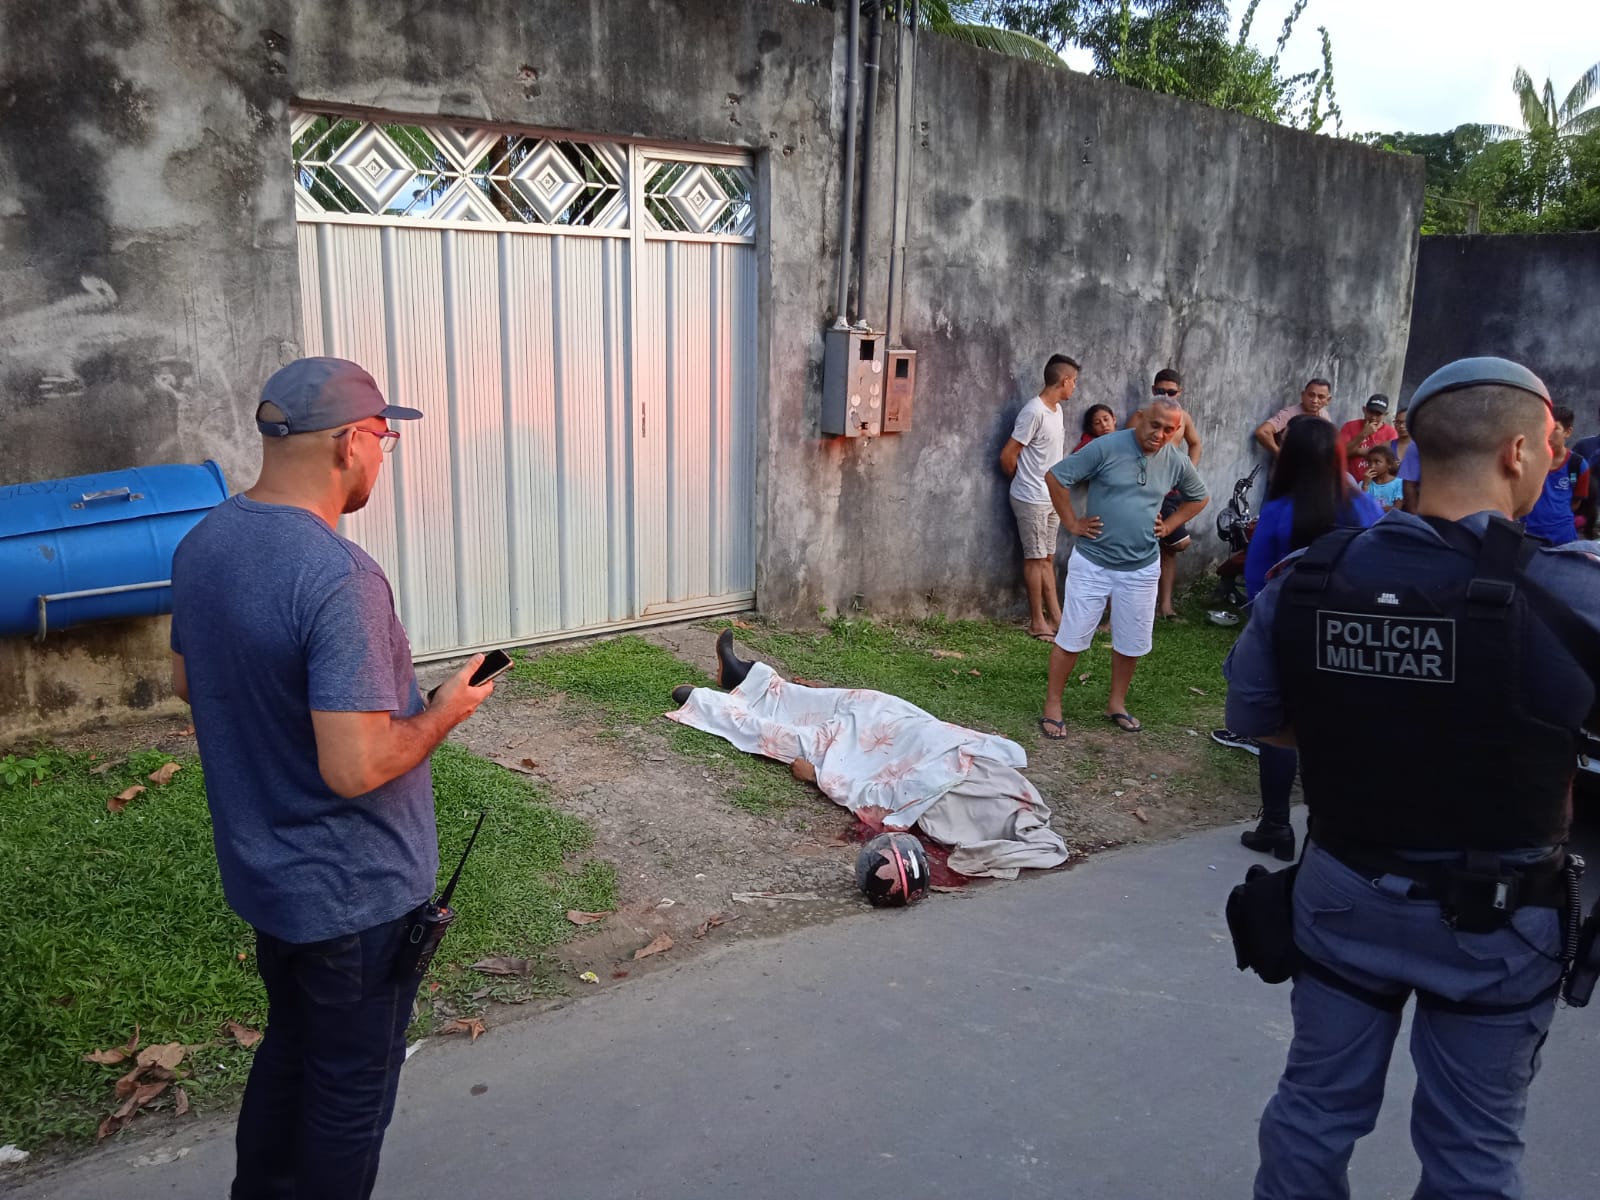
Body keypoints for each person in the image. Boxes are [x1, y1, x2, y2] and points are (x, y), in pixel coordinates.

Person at [1224, 356, 1599, 1198]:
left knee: (1313, 1112)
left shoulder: (1311, 579)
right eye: (1551, 446)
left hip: (1346, 892)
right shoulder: (1571, 592)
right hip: (1500, 924)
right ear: (1519, 451)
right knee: (1473, 1150)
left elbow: (1255, 716)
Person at [170, 357, 496, 1200]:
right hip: (355, 897)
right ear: (351, 443)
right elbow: (354, 766)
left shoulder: (205, 544)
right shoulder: (339, 576)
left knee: (291, 1052)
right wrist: (445, 713)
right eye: (386, 438)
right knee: (348, 1094)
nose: (385, 457)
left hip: (269, 880)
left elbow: (187, 680)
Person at [1233, 417, 1382, 859]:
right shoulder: (1365, 507)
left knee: (1281, 728)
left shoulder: (1281, 509)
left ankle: (1277, 825)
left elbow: (1256, 577)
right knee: (1338, 726)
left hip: (1288, 631)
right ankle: (1328, 829)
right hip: (1350, 633)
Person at [1037, 398, 1208, 737]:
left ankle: (1116, 703)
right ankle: (1052, 705)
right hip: (1093, 563)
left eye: (1169, 430)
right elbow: (1056, 478)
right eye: (1155, 425)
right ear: (1140, 418)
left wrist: (1170, 524)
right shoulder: (1107, 446)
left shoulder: (1175, 459)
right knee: (1072, 637)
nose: (1159, 434)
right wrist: (1072, 522)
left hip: (1142, 567)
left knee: (1131, 641)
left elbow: (1199, 497)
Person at [1000, 355, 1077, 640]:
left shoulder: (1056, 411)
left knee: (1047, 557)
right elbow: (1008, 456)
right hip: (1031, 497)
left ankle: (1057, 618)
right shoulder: (1033, 411)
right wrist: (1024, 481)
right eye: (1075, 382)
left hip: (1051, 496)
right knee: (1034, 559)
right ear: (1065, 381)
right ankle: (1036, 621)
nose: (1074, 388)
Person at [1124, 368, 1203, 621]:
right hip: (1145, 490)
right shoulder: (1142, 417)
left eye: (1171, 392)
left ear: (1179, 392)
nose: (1165, 395)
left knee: (1169, 549)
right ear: (1152, 390)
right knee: (1146, 545)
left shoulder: (1184, 418)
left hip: (1172, 491)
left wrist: (1189, 470)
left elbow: (1196, 443)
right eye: (1160, 391)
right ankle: (1128, 609)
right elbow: (1125, 450)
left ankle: (1165, 607)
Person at [1522, 403, 1592, 545]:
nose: (1548, 435)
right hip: (1526, 534)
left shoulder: (1578, 465)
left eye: (1555, 429)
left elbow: (1576, 502)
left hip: (1561, 538)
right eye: (1545, 428)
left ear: (1568, 432)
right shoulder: (1528, 458)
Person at [1253, 378, 1333, 456]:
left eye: (1321, 397)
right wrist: (1281, 456)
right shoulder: (1290, 414)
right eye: (1311, 395)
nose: (1315, 401)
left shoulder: (1324, 416)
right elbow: (1262, 432)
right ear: (1303, 395)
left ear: (1328, 400)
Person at [1336, 394, 1398, 480]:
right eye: (1371, 412)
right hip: (1349, 482)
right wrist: (1363, 434)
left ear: (1385, 414)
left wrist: (1358, 451)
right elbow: (1341, 453)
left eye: (1378, 414)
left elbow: (1390, 462)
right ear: (1364, 410)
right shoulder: (1349, 426)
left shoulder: (1391, 433)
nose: (1373, 417)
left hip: (1376, 485)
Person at [1361, 443, 1404, 511]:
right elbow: (1362, 507)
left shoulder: (1399, 483)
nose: (1372, 466)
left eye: (1377, 462)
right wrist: (1365, 486)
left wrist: (1372, 508)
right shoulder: (1364, 483)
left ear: (1389, 464)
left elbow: (1396, 509)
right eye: (1369, 462)